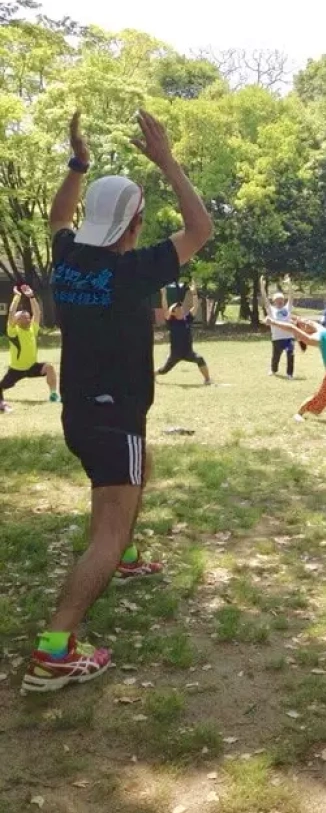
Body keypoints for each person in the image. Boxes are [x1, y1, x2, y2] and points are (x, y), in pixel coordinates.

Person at [21, 109, 212, 693]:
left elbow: (57, 215)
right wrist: (168, 161)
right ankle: (56, 649)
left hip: (80, 413)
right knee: (105, 530)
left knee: (140, 467)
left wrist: (78, 163)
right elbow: (201, 229)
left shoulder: (69, 258)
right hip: (113, 417)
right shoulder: (130, 270)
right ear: (132, 222)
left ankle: (124, 556)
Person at [0, 285, 59, 412]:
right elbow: (11, 314)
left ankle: (54, 394)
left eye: (28, 317)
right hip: (16, 370)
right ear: (16, 321)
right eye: (23, 317)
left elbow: (37, 313)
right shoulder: (13, 332)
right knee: (1, 387)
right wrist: (17, 296)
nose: (27, 319)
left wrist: (31, 296)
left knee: (49, 367)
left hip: (32, 367)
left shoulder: (32, 329)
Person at [156, 282, 211, 384]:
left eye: (180, 306)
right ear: (173, 312)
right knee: (164, 370)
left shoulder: (187, 319)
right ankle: (153, 375)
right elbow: (164, 308)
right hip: (175, 354)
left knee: (200, 359)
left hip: (188, 352)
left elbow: (195, 306)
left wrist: (194, 294)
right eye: (177, 307)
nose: (180, 308)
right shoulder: (171, 322)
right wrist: (163, 294)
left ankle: (207, 380)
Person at [260, 275, 295, 379]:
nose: (280, 301)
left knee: (291, 355)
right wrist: (262, 286)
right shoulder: (271, 310)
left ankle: (290, 374)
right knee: (276, 357)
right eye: (277, 300)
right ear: (274, 301)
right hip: (277, 338)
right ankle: (273, 369)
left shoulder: (287, 308)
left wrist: (289, 284)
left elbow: (291, 296)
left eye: (281, 299)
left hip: (289, 337)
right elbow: (265, 299)